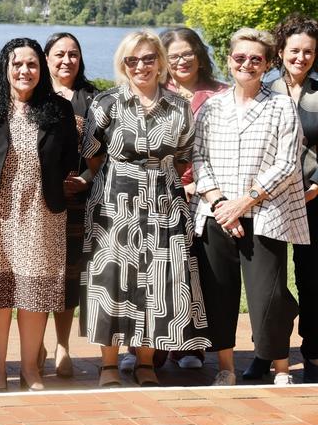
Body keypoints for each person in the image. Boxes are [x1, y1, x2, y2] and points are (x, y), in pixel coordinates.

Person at [82, 30, 209, 387]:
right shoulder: (106, 103)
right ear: (123, 64)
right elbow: (91, 153)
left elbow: (184, 155)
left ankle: (145, 360)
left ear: (160, 62)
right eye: (132, 60)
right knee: (111, 280)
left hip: (165, 202)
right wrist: (122, 179)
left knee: (158, 281)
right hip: (114, 202)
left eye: (149, 59)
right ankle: (108, 362)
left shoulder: (180, 106)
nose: (141, 66)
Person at [194, 28, 307, 386]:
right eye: (240, 57)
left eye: (256, 59)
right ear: (229, 61)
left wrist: (246, 201)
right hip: (217, 215)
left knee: (269, 298)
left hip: (267, 216)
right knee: (220, 294)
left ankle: (281, 369)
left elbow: (288, 163)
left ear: (268, 64)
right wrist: (220, 203)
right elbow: (198, 157)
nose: (247, 64)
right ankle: (226, 368)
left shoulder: (282, 105)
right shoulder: (211, 106)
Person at [0, 39, 78, 392]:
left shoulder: (57, 109)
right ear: (5, 68)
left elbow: (69, 160)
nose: (24, 71)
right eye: (17, 64)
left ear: (41, 69)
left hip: (41, 214)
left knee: (35, 294)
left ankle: (31, 369)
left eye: (31, 64)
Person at [158, 26, 227, 372]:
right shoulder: (153, 93)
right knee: (157, 273)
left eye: (187, 53)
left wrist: (198, 185)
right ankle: (145, 347)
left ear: (199, 53)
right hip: (158, 195)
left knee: (196, 273)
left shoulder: (221, 95)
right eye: (173, 56)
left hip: (205, 196)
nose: (181, 61)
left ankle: (191, 346)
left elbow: (225, 152)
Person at [41, 31, 97, 379]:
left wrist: (84, 181)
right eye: (59, 54)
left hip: (79, 201)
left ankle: (63, 345)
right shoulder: (34, 96)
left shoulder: (93, 99)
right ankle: (36, 343)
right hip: (37, 203)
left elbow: (105, 152)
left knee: (68, 274)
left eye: (73, 54)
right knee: (36, 273)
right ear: (46, 58)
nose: (66, 60)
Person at [269, 15, 318, 383]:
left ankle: (313, 348)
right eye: (295, 50)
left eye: (309, 52)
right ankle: (268, 349)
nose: (301, 57)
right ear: (281, 50)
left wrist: (317, 185)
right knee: (268, 279)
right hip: (271, 198)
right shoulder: (266, 89)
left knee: (312, 276)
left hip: (314, 197)